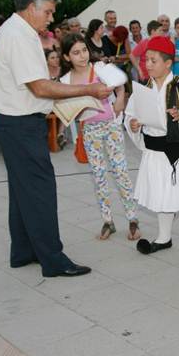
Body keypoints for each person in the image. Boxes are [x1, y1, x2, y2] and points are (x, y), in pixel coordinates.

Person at [0, 0, 111, 278]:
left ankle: (23, 251)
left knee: (22, 190)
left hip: (13, 122)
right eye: (48, 12)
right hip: (21, 124)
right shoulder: (18, 35)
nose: (51, 18)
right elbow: (40, 87)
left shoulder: (15, 30)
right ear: (32, 7)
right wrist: (87, 90)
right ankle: (53, 260)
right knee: (40, 190)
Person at [124, 36, 179, 261]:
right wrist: (132, 124)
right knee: (162, 194)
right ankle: (163, 237)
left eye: (153, 60)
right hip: (154, 151)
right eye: (146, 60)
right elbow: (130, 114)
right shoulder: (143, 88)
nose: (148, 64)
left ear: (168, 63)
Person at [60, 34, 139, 241]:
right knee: (99, 175)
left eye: (84, 50)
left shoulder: (99, 68)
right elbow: (66, 108)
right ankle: (107, 221)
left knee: (121, 171)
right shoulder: (66, 80)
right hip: (89, 129)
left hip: (111, 124)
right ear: (67, 57)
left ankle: (133, 219)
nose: (82, 56)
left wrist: (120, 99)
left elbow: (121, 81)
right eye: (76, 53)